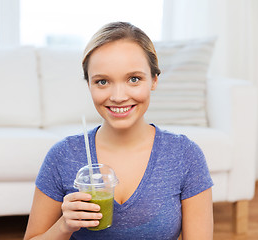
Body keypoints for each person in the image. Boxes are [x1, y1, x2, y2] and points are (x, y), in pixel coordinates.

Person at [23, 22, 213, 240]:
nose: (118, 96)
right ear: (89, 85)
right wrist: (63, 226)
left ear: (154, 80)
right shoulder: (63, 156)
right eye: (102, 81)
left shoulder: (185, 155)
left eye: (134, 79)